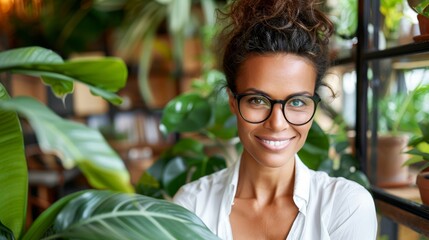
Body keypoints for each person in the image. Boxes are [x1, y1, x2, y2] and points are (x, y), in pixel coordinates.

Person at [173, 0, 378, 239]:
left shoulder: (345, 207)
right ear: (232, 101)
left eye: (297, 102)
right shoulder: (192, 206)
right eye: (258, 100)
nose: (277, 123)